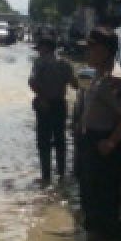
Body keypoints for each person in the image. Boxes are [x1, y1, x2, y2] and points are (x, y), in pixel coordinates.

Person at [75, 27, 121, 237]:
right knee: (90, 204)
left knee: (104, 207)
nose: (86, 53)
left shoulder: (114, 79)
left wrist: (111, 142)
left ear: (104, 51)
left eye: (90, 49)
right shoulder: (99, 74)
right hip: (91, 145)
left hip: (104, 149)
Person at [28, 35, 77, 184]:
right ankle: (62, 174)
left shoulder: (39, 63)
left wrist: (42, 97)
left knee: (44, 142)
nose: (39, 52)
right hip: (60, 105)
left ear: (46, 48)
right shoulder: (65, 63)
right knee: (60, 140)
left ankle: (46, 176)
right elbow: (75, 84)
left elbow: (32, 82)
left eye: (40, 49)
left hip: (44, 106)